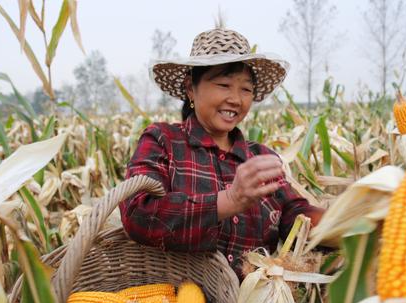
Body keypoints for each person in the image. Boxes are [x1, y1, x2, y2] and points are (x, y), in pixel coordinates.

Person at [119, 28, 324, 279]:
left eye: (246, 89)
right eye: (224, 85)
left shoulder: (260, 157)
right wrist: (229, 201)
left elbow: (295, 217)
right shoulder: (163, 141)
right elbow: (137, 215)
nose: (236, 99)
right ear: (191, 89)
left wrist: (351, 219)